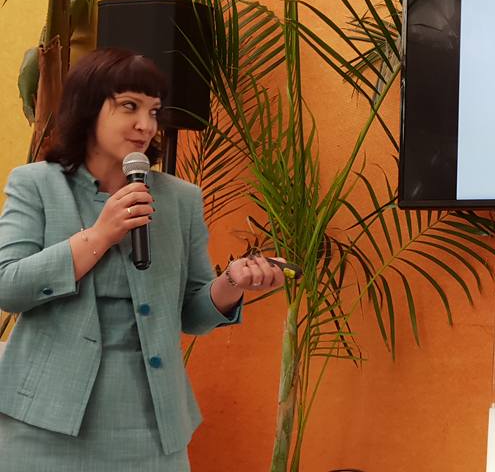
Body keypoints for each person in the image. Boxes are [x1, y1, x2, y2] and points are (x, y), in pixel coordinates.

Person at [0, 48, 286, 471]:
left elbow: (192, 313)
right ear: (88, 108)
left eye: (153, 111)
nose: (146, 125)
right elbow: (8, 287)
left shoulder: (180, 199)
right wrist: (100, 235)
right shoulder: (35, 184)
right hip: (44, 420)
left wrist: (232, 283)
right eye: (129, 107)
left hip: (151, 423)